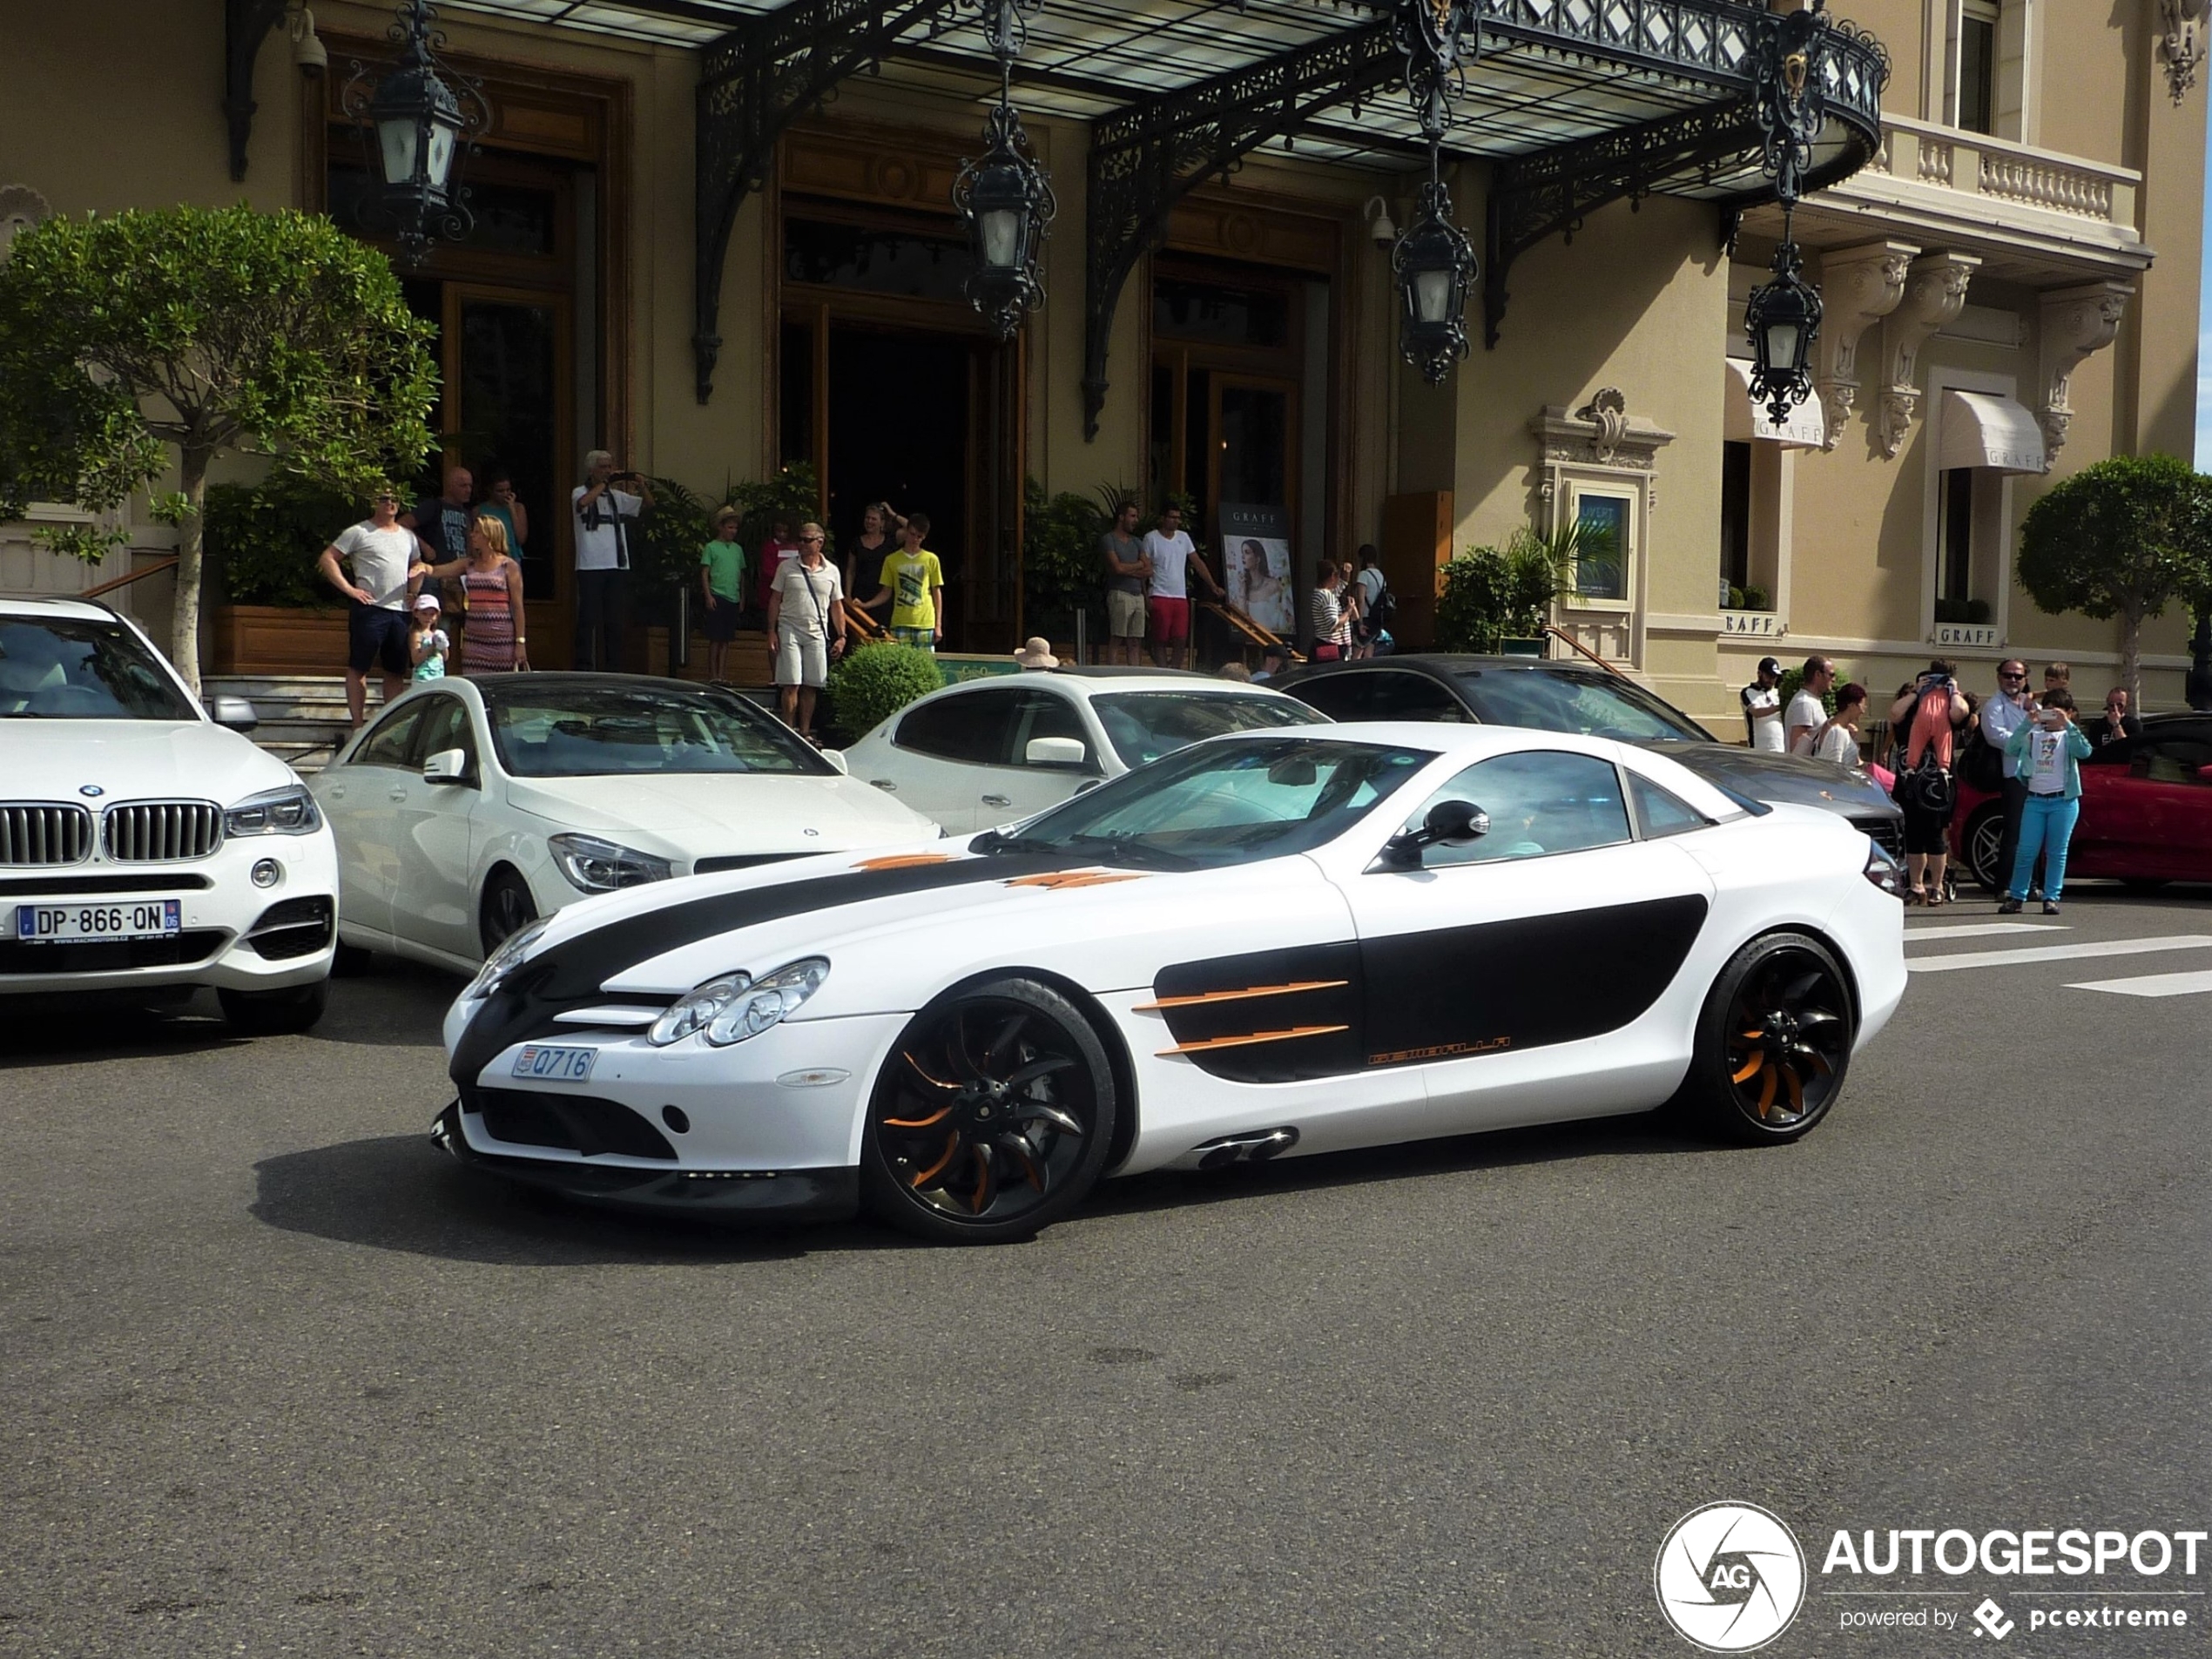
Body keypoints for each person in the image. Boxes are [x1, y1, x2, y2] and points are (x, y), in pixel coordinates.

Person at [316, 486, 425, 726]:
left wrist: (414, 591)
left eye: (394, 499)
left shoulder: (408, 536)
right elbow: (328, 558)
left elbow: (419, 565)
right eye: (384, 499)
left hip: (400, 612)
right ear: (374, 502)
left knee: (396, 671)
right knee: (359, 667)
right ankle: (357, 725)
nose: (390, 503)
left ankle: (391, 728)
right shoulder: (359, 532)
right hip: (370, 609)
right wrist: (350, 589)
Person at [2000, 690, 2091, 916]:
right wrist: (2026, 724)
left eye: (2056, 712)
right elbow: (2011, 748)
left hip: (2063, 800)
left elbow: (2085, 751)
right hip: (2035, 800)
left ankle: (2051, 897)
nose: (2051, 717)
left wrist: (2068, 725)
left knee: (2057, 852)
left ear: (2069, 712)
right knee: (2026, 851)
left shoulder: (2069, 736)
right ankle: (2017, 896)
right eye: (2047, 711)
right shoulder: (2033, 734)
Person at [1888, 660, 1972, 906]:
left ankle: (1937, 885)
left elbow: (1961, 713)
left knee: (1935, 834)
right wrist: (1915, 692)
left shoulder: (1949, 704)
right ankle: (1916, 885)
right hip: (1910, 779)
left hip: (1937, 783)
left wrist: (1953, 689)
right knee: (1913, 833)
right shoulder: (1912, 708)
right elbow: (1894, 714)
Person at [417, 513, 528, 675]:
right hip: (474, 639)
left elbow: (517, 607)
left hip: (501, 639)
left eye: (477, 532)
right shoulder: (469, 564)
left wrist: (520, 642)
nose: (472, 535)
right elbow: (438, 570)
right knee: (474, 682)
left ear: (489, 535)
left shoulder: (508, 566)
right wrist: (421, 567)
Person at [572, 450, 651, 672]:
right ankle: (583, 666)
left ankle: (613, 666)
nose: (607, 471)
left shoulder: (616, 497)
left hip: (617, 565)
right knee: (588, 618)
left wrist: (641, 485)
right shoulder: (579, 492)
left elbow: (648, 505)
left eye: (609, 467)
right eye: (603, 467)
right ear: (591, 470)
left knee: (614, 620)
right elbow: (583, 503)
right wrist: (604, 484)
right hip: (590, 566)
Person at [767, 523, 846, 739]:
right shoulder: (786, 567)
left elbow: (837, 605)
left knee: (812, 684)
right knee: (791, 682)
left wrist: (842, 636)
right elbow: (775, 599)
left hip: (817, 631)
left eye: (806, 540)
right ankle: (788, 730)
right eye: (800, 539)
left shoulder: (832, 571)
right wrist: (771, 631)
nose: (801, 544)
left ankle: (804, 731)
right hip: (789, 627)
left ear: (819, 542)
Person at [1979, 659, 2036, 903]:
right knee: (2013, 832)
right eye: (2008, 675)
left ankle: (2030, 884)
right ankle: (2003, 885)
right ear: (1998, 677)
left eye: (2018, 676)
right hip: (2014, 775)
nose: (2013, 680)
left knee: (2033, 833)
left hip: (2039, 775)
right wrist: (2027, 741)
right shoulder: (1994, 706)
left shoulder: (2031, 705)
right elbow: (1995, 736)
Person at [1143, 503, 1221, 671]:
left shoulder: (1183, 537)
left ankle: (1175, 670)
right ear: (1163, 518)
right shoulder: (1151, 538)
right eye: (1172, 517)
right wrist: (1145, 596)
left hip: (1179, 596)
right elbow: (1145, 568)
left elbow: (1197, 562)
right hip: (1159, 593)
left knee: (1180, 638)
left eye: (1178, 518)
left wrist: (1212, 585)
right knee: (1160, 638)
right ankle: (1163, 671)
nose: (1175, 521)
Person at [870, 512, 945, 652]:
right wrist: (866, 604)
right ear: (906, 532)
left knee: (925, 666)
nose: (915, 539)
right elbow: (886, 592)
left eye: (919, 537)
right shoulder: (891, 560)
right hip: (900, 622)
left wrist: (938, 624)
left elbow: (936, 592)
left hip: (925, 622)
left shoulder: (931, 559)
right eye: (912, 534)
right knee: (900, 665)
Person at [1100, 499, 1151, 666]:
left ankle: (1134, 674)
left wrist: (1129, 568)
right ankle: (1112, 673)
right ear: (1121, 517)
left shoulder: (1137, 541)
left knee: (1135, 640)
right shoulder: (1109, 539)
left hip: (1138, 596)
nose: (1136, 520)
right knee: (1117, 637)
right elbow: (1117, 568)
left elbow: (1148, 568)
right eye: (1133, 516)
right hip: (1119, 593)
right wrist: (1138, 565)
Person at [699, 505, 746, 683]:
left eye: (735, 528)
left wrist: (742, 597)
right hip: (717, 594)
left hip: (732, 596)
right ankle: (712, 675)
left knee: (726, 639)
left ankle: (722, 674)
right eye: (730, 527)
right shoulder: (711, 547)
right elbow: (705, 572)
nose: (733, 531)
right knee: (715, 638)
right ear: (720, 527)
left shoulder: (738, 549)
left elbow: (742, 574)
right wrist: (708, 595)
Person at [843, 502, 901, 626]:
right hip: (860, 596)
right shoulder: (857, 542)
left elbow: (913, 530)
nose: (869, 521)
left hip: (883, 595)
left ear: (882, 523)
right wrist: (848, 595)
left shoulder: (891, 540)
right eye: (867, 518)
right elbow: (850, 570)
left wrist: (892, 514)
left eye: (874, 519)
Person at [1231, 538, 1288, 636]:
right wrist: (1243, 590)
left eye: (1247, 553)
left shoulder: (1273, 584)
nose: (1243, 557)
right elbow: (1241, 620)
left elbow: (1282, 618)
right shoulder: (1244, 586)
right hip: (1251, 637)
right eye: (1242, 553)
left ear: (1258, 559)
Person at [1807, 680, 1868, 768]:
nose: (1863, 711)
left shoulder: (1838, 727)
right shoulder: (1837, 733)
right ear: (1851, 705)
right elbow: (1833, 767)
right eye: (1862, 706)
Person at [1785, 655, 1836, 755]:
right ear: (1818, 675)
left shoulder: (1812, 700)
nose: (1834, 679)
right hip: (1803, 769)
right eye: (1831, 675)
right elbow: (1797, 750)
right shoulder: (1804, 704)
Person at [756, 514, 801, 617]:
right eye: (778, 531)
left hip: (793, 597)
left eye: (785, 531)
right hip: (772, 595)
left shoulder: (798, 546)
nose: (781, 534)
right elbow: (768, 571)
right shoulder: (770, 547)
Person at [477, 468, 529, 559]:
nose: (505, 494)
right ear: (490, 490)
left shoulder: (518, 508)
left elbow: (521, 538)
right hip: (488, 559)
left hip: (511, 558)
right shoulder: (479, 510)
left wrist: (512, 509)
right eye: (500, 491)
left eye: (508, 490)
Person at [1308, 561, 1352, 663]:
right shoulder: (1327, 596)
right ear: (1332, 576)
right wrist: (1348, 612)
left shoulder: (1320, 593)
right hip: (1331, 647)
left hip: (1323, 644)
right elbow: (1334, 623)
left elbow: (1342, 585)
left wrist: (1346, 573)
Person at [1741, 656, 1785, 752]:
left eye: (1774, 677)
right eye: (1768, 675)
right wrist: (1779, 707)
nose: (1771, 679)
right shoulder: (1748, 692)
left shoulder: (1777, 693)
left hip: (1780, 748)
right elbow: (1756, 712)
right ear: (1759, 673)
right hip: (1759, 749)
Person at [408, 594, 448, 683]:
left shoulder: (437, 633)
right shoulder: (417, 634)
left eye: (432, 614)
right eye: (424, 614)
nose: (428, 618)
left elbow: (445, 657)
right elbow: (415, 660)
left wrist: (443, 645)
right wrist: (432, 647)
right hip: (422, 679)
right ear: (416, 614)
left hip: (438, 677)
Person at [2088, 685, 2144, 752]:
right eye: (2111, 705)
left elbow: (2127, 748)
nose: (2115, 709)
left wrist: (2116, 725)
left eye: (2119, 705)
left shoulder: (2134, 725)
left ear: (2126, 704)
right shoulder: (2097, 726)